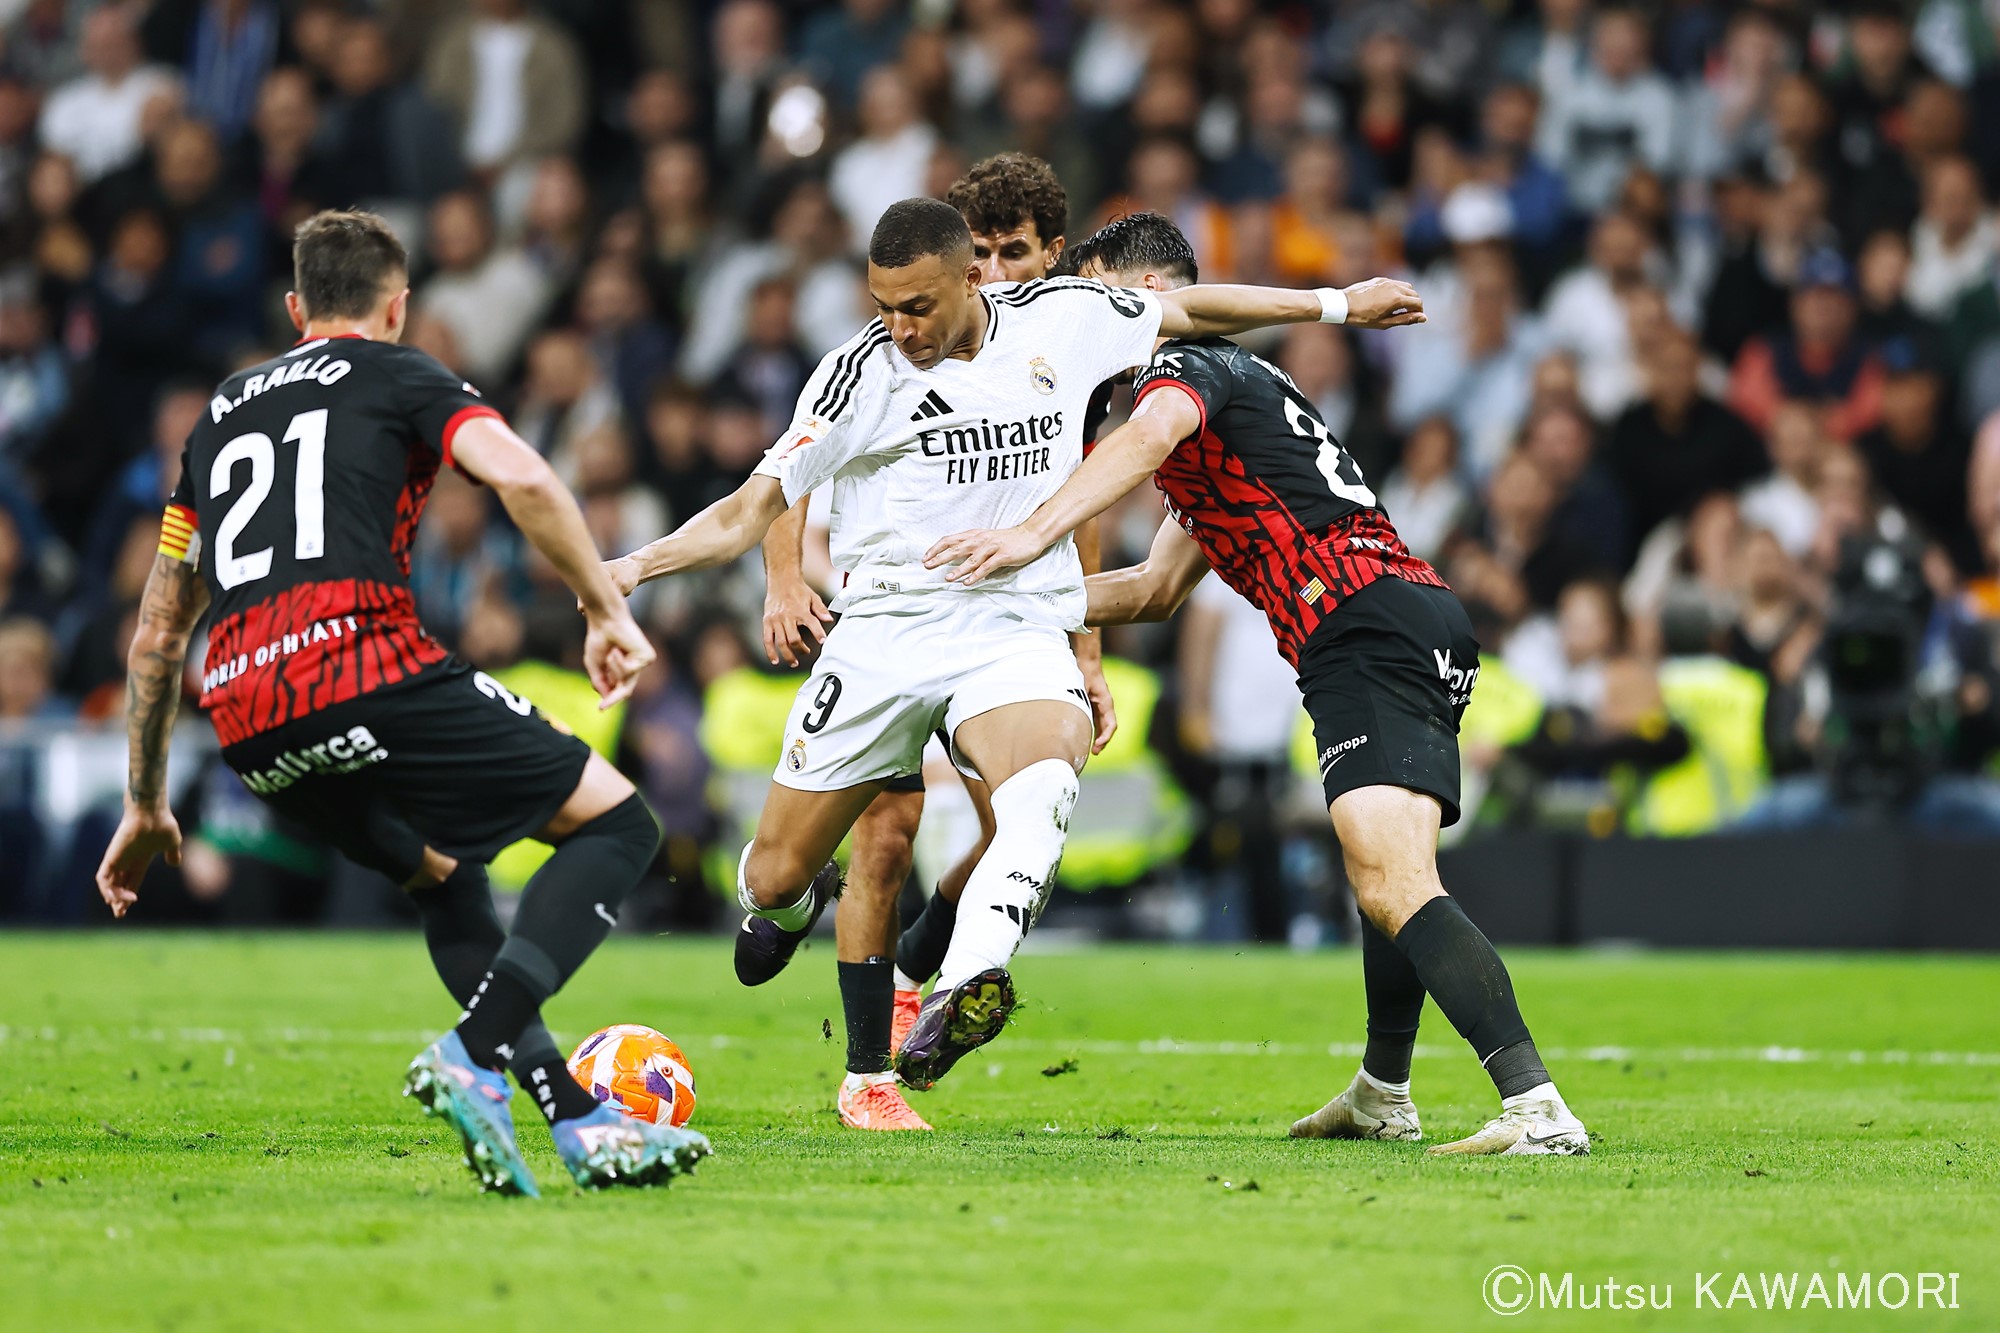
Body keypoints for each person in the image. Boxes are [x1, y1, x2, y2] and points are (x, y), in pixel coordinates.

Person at [604, 196, 1423, 1097]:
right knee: (768, 875)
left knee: (1044, 779)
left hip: (1006, 625)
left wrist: (1339, 304)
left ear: (970, 278)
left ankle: (966, 979)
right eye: (883, 305)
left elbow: (1194, 308)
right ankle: (798, 902)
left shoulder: (1063, 318)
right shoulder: (856, 375)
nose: (899, 327)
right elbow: (752, 505)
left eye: (916, 305)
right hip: (882, 636)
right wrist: (638, 565)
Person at [924, 212, 1588, 1156]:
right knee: (1387, 876)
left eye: (1092, 290)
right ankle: (1382, 1092)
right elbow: (1152, 591)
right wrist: (1000, 605)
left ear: (1144, 296)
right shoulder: (1241, 408)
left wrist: (1027, 534)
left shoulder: (1182, 374)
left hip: (1365, 622)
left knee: (1392, 879)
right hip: (1397, 618)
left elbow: (1144, 441)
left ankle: (1536, 1107)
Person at [92, 210, 709, 1197]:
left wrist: (145, 799)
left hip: (248, 712)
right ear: (399, 303)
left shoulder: (219, 416)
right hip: (358, 664)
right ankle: (475, 1051)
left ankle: (576, 1119)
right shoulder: (402, 371)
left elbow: (161, 631)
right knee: (621, 824)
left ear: (296, 308)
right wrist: (602, 607)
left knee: (442, 877)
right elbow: (526, 475)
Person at [756, 154, 1108, 1132]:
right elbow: (785, 477)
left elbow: (1071, 510)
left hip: (1002, 630)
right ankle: (861, 1049)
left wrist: (1084, 652)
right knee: (880, 837)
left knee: (1014, 817)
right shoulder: (884, 355)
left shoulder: (1059, 348)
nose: (996, 270)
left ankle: (925, 974)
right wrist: (787, 578)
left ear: (1051, 255)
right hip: (880, 625)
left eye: (1014, 252)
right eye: (981, 252)